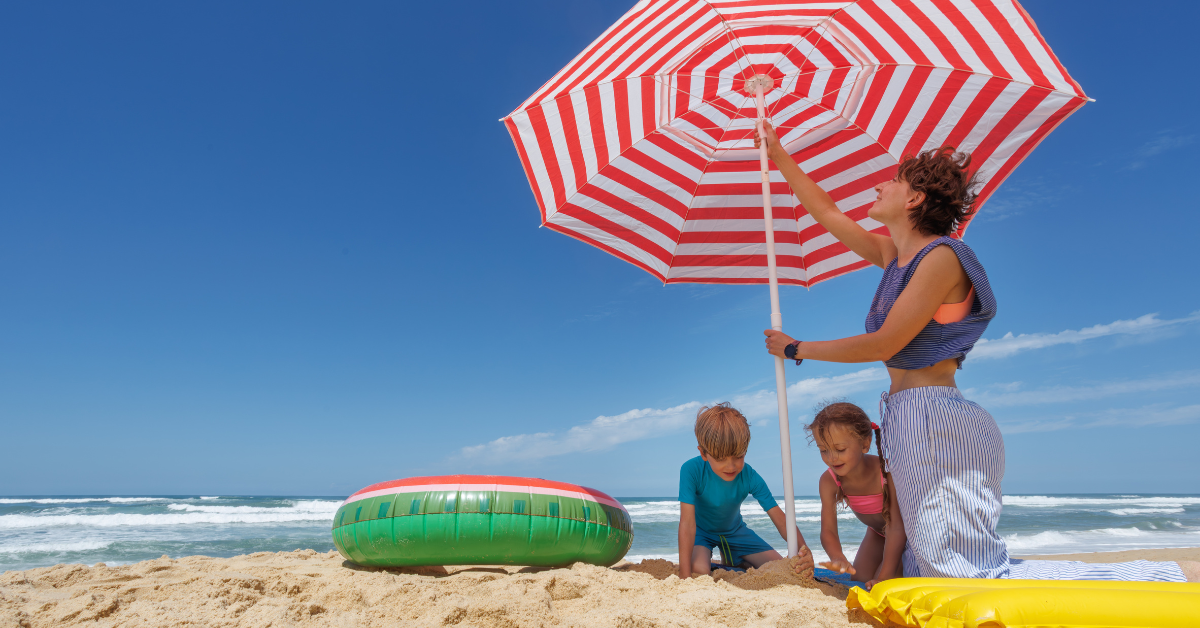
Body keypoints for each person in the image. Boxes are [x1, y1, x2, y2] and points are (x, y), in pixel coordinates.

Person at [754, 122, 1198, 583]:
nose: (877, 184)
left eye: (893, 181)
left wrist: (797, 348)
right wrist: (780, 155)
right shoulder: (895, 257)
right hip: (907, 415)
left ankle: (1161, 577)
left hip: (936, 419)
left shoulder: (942, 257)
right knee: (933, 564)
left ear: (914, 200)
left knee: (961, 571)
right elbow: (827, 213)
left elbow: (887, 342)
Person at [678, 403, 814, 578]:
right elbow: (687, 524)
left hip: (735, 532)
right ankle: (732, 560)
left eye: (739, 456)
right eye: (720, 458)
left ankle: (735, 559)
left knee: (782, 568)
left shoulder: (749, 475)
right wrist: (683, 575)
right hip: (701, 533)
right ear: (704, 453)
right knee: (699, 571)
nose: (731, 466)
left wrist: (803, 551)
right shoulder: (691, 470)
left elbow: (779, 518)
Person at [805, 401, 905, 589]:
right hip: (877, 534)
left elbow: (897, 527)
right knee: (859, 580)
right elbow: (828, 530)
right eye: (823, 450)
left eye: (840, 449)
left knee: (881, 583)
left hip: (903, 535)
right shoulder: (829, 481)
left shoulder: (886, 474)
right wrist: (837, 557)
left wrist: (884, 577)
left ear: (865, 443)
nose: (832, 458)